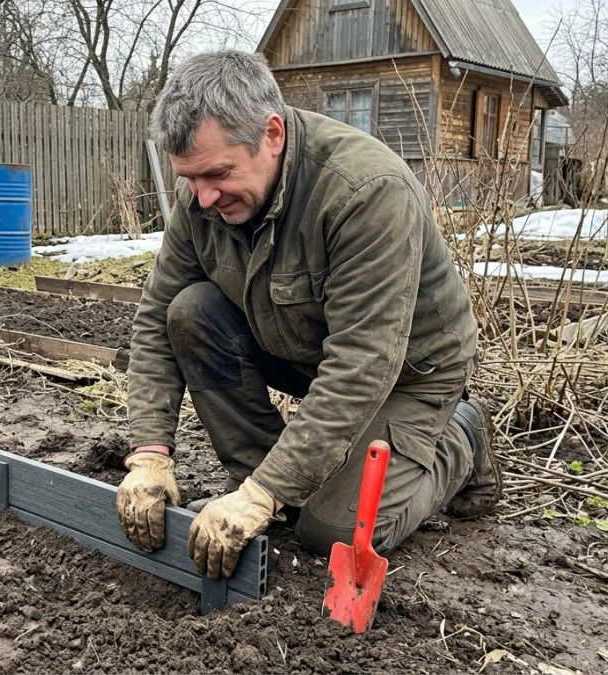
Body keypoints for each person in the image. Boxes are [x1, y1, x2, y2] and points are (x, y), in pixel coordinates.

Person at [115, 50, 500, 581]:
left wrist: (263, 493)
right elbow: (158, 318)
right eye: (189, 179)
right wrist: (150, 454)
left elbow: (362, 362)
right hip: (300, 346)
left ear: (271, 134)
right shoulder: (205, 198)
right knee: (190, 311)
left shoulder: (365, 192)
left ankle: (463, 437)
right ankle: (274, 486)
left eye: (217, 174)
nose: (201, 198)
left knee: (332, 532)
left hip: (408, 372)